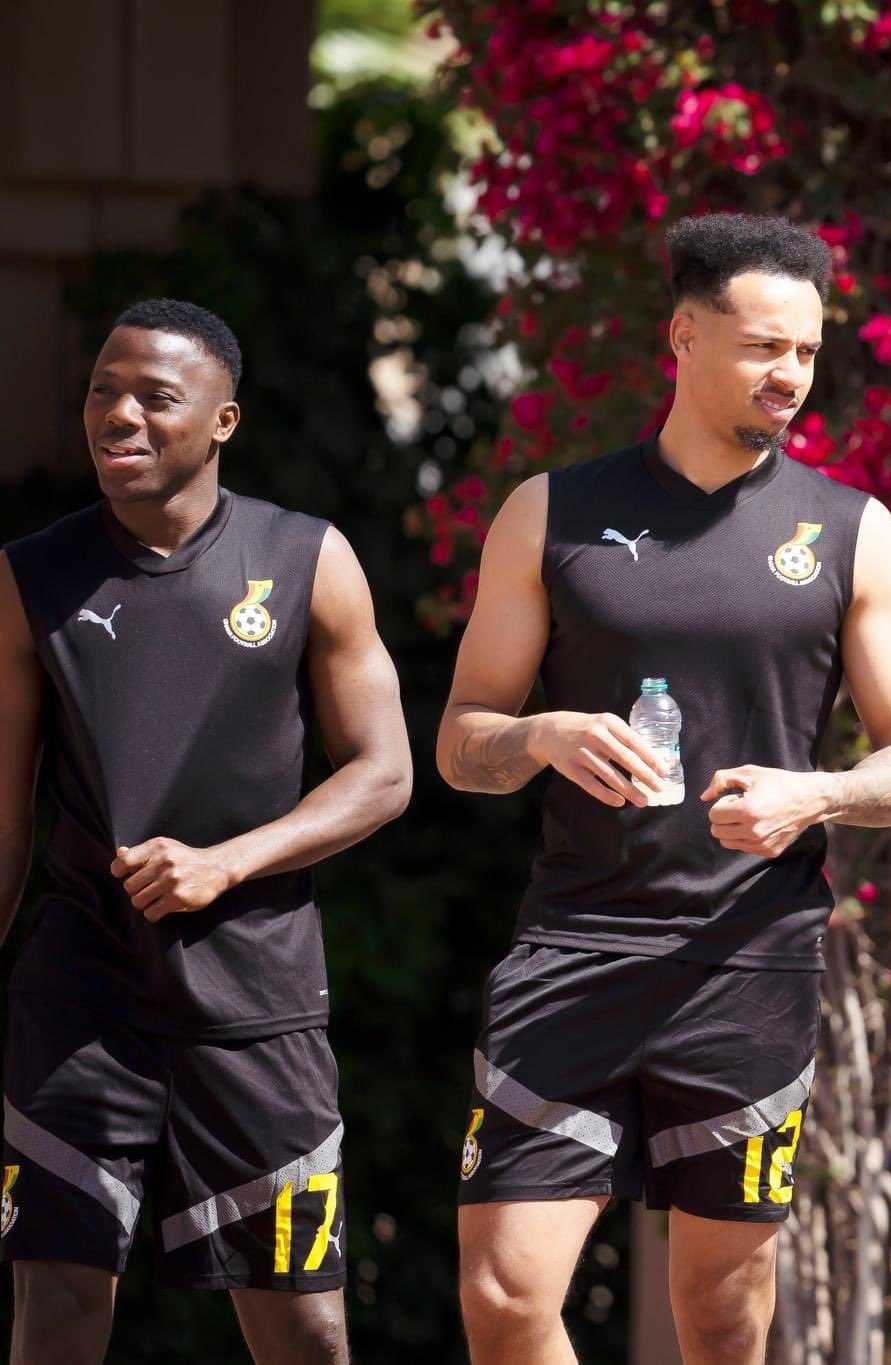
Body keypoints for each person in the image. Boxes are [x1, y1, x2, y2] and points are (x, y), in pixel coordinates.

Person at [439, 213, 891, 1365]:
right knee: (505, 1293)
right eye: (764, 346)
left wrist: (812, 796)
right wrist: (543, 735)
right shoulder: (549, 515)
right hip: (575, 947)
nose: (789, 375)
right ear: (682, 336)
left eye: (806, 351)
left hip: (746, 964)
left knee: (718, 1314)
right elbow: (462, 741)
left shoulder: (851, 533)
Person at [0, 300, 412, 1363]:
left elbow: (383, 773)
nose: (118, 415)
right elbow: (4, 816)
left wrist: (226, 864)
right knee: (55, 1302)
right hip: (83, 993)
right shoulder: (32, 576)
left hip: (256, 1000)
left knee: (305, 1327)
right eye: (103, 391)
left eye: (154, 398)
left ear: (223, 420)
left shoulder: (307, 557)